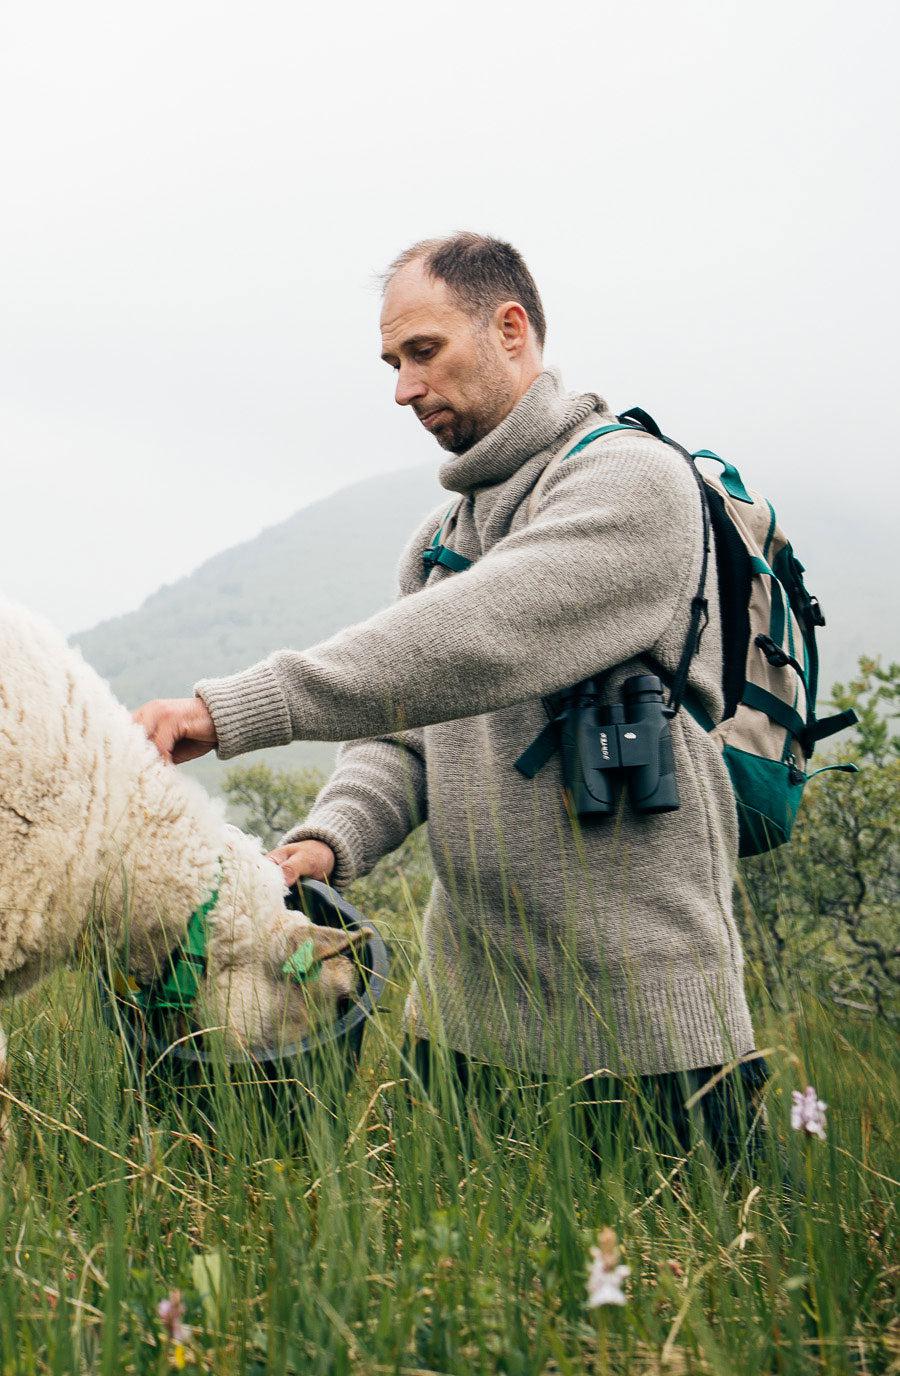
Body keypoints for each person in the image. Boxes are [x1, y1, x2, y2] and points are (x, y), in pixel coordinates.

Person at [135, 232, 766, 1165]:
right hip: (466, 1028)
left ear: (510, 329)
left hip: (652, 1034)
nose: (402, 388)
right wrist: (331, 836)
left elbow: (480, 635)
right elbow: (407, 733)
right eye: (392, 363)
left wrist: (234, 708)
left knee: (688, 1300)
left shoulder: (633, 482)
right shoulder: (442, 536)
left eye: (423, 352)